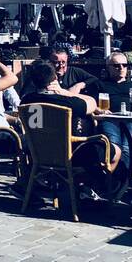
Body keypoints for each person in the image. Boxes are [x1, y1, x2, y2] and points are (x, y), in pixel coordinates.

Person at [20, 61, 120, 195]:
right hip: (70, 154)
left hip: (38, 152)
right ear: (55, 79)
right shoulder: (69, 102)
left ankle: (79, 186)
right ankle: (91, 187)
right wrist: (64, 92)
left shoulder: (27, 101)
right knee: (115, 151)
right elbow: (91, 103)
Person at [83, 51, 132, 188]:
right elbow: (90, 102)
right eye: (116, 65)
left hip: (131, 120)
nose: (121, 68)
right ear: (108, 67)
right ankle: (114, 183)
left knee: (127, 147)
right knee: (115, 146)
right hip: (108, 118)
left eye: (124, 65)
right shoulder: (99, 85)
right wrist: (97, 109)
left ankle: (119, 182)